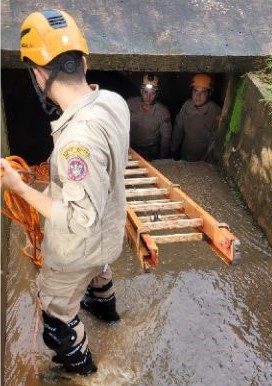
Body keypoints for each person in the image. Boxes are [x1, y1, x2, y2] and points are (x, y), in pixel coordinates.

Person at [0, 9, 129, 376]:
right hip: (108, 235)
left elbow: (75, 219)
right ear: (84, 63)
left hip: (79, 246)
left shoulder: (77, 141)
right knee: (97, 271)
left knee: (56, 317)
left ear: (40, 74)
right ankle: (107, 312)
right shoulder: (113, 102)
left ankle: (85, 373)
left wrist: (19, 187)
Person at [170, 73, 221, 162]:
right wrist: (173, 149)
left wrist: (205, 161)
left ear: (209, 94)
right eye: (195, 91)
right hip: (185, 154)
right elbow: (178, 129)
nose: (198, 96)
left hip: (203, 159)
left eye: (203, 92)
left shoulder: (215, 112)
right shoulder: (187, 106)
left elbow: (214, 141)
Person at [127, 73, 172, 160]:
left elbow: (166, 138)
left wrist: (163, 158)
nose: (148, 97)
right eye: (146, 92)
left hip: (151, 153)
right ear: (141, 91)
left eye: (152, 93)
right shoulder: (130, 104)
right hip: (132, 149)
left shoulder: (163, 112)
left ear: (157, 94)